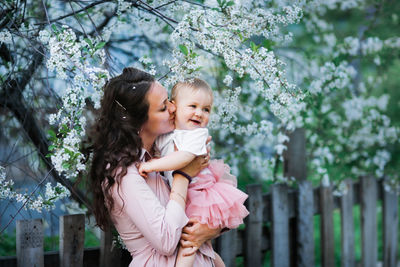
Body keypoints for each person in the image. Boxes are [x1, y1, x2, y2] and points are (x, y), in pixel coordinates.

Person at [88, 67, 222, 266]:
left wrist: (210, 229)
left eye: (169, 99)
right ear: (139, 121)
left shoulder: (163, 151)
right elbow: (167, 241)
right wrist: (183, 175)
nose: (173, 108)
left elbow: (199, 204)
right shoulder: (123, 173)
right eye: (163, 107)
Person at [139, 78, 249, 267]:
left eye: (206, 109)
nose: (199, 113)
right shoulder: (169, 133)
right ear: (174, 107)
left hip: (199, 194)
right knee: (204, 247)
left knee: (189, 244)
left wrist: (151, 166)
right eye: (193, 106)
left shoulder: (197, 135)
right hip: (186, 195)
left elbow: (183, 159)